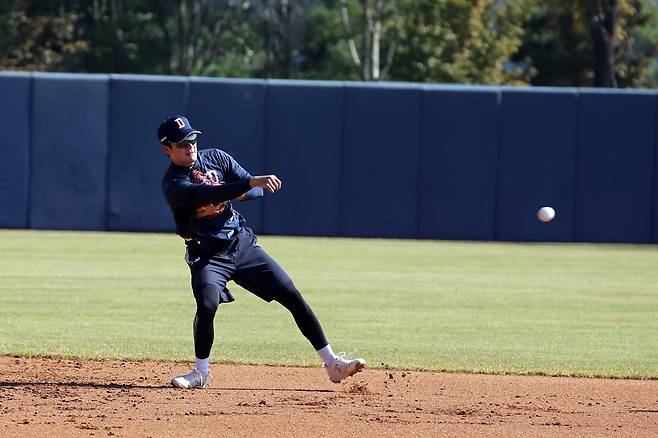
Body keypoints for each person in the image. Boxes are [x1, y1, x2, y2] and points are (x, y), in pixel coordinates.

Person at [158, 115, 365, 389]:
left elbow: (256, 191)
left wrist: (244, 189)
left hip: (241, 244)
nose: (190, 145)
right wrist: (243, 186)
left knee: (292, 295)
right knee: (207, 305)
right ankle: (200, 373)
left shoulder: (217, 158)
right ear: (167, 149)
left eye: (193, 138)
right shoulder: (173, 183)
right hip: (207, 255)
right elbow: (202, 195)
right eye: (182, 143)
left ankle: (332, 363)